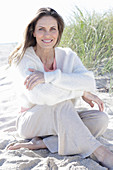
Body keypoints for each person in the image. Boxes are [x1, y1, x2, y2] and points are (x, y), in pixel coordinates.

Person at [7, 7, 113, 169]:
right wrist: (80, 91)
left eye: (52, 29)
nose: (47, 34)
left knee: (100, 120)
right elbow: (42, 96)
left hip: (61, 117)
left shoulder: (67, 55)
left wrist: (50, 77)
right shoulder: (24, 58)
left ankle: (45, 144)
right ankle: (101, 153)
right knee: (60, 103)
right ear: (33, 32)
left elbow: (88, 81)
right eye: (41, 29)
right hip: (30, 121)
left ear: (59, 32)